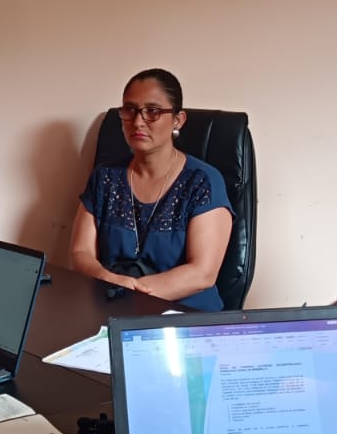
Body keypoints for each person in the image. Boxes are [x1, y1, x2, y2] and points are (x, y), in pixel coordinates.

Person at [69, 67, 233, 311]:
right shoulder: (105, 177)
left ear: (178, 120)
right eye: (130, 110)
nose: (137, 121)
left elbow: (202, 273)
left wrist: (129, 295)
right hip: (112, 306)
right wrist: (108, 282)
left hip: (182, 314)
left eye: (152, 111)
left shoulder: (203, 181)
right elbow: (81, 252)